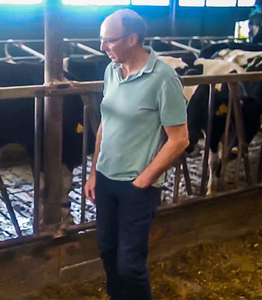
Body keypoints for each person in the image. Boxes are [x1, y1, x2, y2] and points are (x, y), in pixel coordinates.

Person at [83, 9, 189, 300]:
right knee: (107, 252)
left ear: (132, 38)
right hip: (105, 180)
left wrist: (143, 180)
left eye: (109, 41)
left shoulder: (164, 79)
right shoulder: (111, 71)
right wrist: (93, 172)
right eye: (101, 40)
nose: (102, 47)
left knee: (130, 264)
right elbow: (106, 123)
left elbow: (179, 140)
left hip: (136, 186)